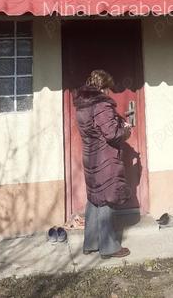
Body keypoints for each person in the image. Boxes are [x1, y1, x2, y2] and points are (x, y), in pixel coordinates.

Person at [73, 69, 132, 258]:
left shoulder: (82, 106)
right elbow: (111, 134)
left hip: (90, 156)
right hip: (105, 158)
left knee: (94, 198)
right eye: (108, 88)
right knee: (107, 199)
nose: (109, 92)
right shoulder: (101, 105)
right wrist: (125, 131)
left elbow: (96, 130)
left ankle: (90, 244)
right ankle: (109, 247)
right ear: (103, 87)